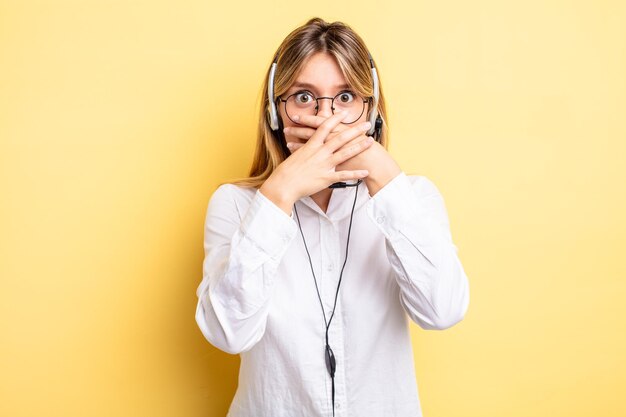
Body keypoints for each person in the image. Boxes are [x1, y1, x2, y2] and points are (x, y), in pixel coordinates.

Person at [195, 17, 470, 417]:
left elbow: (442, 310)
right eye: (304, 97)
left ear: (370, 109)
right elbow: (229, 333)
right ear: (275, 112)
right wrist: (278, 195)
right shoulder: (236, 205)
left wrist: (383, 174)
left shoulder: (413, 198)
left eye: (344, 98)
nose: (326, 118)